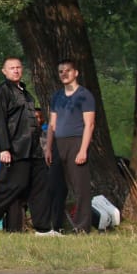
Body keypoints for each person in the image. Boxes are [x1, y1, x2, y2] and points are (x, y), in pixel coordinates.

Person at [0, 58, 59, 235]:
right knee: (14, 184)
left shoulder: (25, 92)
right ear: (4, 71)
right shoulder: (2, 92)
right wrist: (4, 148)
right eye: (11, 68)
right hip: (16, 148)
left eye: (18, 67)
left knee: (40, 185)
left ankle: (43, 229)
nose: (15, 70)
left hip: (34, 149)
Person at [45, 60, 97, 233]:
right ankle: (55, 225)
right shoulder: (57, 97)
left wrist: (83, 150)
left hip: (76, 141)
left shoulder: (84, 95)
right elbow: (52, 124)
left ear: (75, 73)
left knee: (80, 187)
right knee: (55, 185)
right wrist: (48, 147)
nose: (64, 74)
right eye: (60, 71)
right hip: (58, 144)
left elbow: (89, 125)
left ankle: (82, 227)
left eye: (67, 70)